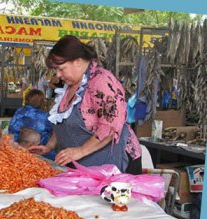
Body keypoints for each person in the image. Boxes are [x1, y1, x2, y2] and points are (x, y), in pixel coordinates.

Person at [29, 35, 142, 174]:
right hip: (83, 165)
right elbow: (64, 121)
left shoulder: (102, 82)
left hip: (111, 163)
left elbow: (110, 127)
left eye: (61, 69)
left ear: (77, 61)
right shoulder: (69, 86)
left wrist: (80, 151)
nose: (57, 75)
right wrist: (49, 146)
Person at [8, 89, 55, 160]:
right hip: (38, 151)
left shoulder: (19, 111)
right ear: (42, 102)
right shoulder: (45, 116)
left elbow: (12, 128)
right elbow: (54, 132)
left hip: (16, 148)